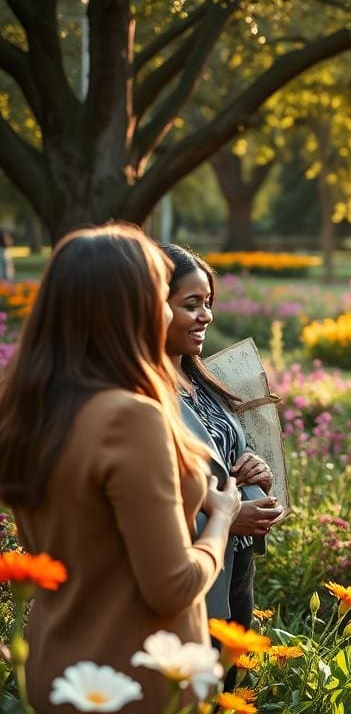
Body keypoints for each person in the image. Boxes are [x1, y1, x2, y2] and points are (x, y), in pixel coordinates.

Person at [0, 223, 241, 711]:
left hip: (57, 666)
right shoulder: (130, 417)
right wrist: (221, 517)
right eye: (158, 293)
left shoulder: (33, 409)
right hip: (132, 678)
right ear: (128, 309)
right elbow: (172, 586)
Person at [160, 244, 281, 688]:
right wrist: (227, 519)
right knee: (196, 691)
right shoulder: (143, 398)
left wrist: (254, 471)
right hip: (192, 572)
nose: (206, 315)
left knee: (228, 688)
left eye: (208, 303)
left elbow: (218, 458)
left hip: (236, 564)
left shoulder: (198, 379)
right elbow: (151, 499)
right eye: (191, 304)